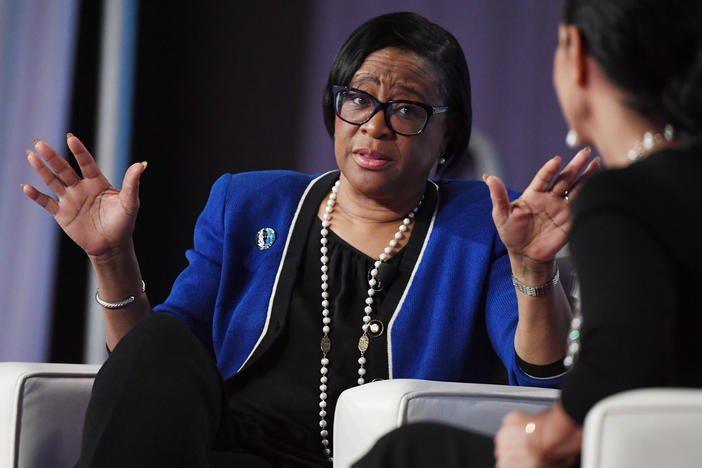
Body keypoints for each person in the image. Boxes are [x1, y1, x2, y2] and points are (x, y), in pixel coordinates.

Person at [21, 12, 594, 468]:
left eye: (406, 110)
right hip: (229, 451)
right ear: (335, 107)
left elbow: (540, 377)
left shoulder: (480, 227)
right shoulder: (248, 203)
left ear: (448, 133)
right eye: (359, 99)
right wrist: (111, 255)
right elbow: (149, 369)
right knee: (164, 340)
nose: (374, 124)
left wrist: (533, 270)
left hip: (376, 462)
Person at [352, 1, 702, 467]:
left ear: (575, 54)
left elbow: (621, 362)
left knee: (410, 451)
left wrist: (539, 436)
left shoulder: (622, 201)